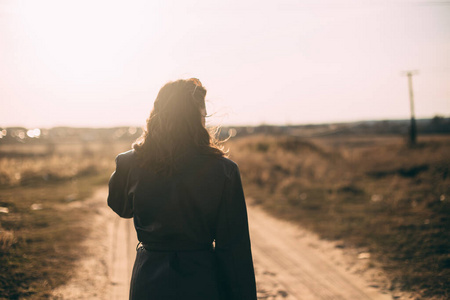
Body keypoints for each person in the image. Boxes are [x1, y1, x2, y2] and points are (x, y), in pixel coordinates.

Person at [107, 78, 257, 300]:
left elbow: (121, 207)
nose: (204, 122)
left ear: (157, 114)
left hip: (149, 282)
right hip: (201, 281)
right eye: (203, 116)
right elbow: (234, 250)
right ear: (194, 119)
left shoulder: (129, 162)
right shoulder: (224, 170)